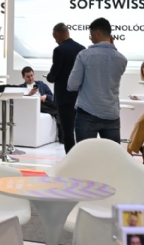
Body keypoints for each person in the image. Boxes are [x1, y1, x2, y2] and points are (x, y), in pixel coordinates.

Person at [68, 18, 127, 144]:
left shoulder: (84, 55)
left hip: (87, 113)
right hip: (112, 114)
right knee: (112, 154)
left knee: (86, 154)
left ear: (97, 33)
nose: (91, 39)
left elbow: (72, 85)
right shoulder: (122, 59)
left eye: (91, 35)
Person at [46, 23, 86, 153]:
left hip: (64, 98)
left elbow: (54, 73)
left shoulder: (59, 50)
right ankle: (82, 156)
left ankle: (71, 158)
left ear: (58, 34)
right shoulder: (82, 49)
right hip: (81, 97)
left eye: (54, 37)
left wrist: (49, 77)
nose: (55, 40)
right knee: (82, 131)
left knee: (67, 132)